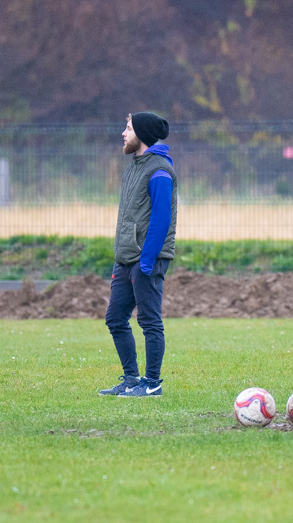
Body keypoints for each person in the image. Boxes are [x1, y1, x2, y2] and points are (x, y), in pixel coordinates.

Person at [99, 112, 178, 398]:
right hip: (126, 258)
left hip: (147, 259)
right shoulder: (135, 166)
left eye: (128, 128)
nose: (123, 133)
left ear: (141, 134)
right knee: (115, 318)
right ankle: (132, 379)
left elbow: (161, 219)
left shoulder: (159, 170)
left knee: (149, 321)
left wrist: (147, 260)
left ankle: (152, 383)